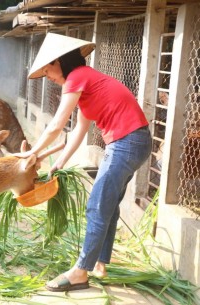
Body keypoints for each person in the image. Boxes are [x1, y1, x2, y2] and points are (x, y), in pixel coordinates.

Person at [15, 33, 152, 292]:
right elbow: (76, 133)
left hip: (127, 142)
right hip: (134, 141)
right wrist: (57, 162)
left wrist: (32, 152)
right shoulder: (88, 82)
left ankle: (80, 272)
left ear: (58, 62)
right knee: (108, 205)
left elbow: (56, 125)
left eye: (48, 72)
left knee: (97, 205)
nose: (50, 79)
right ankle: (100, 264)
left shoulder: (77, 77)